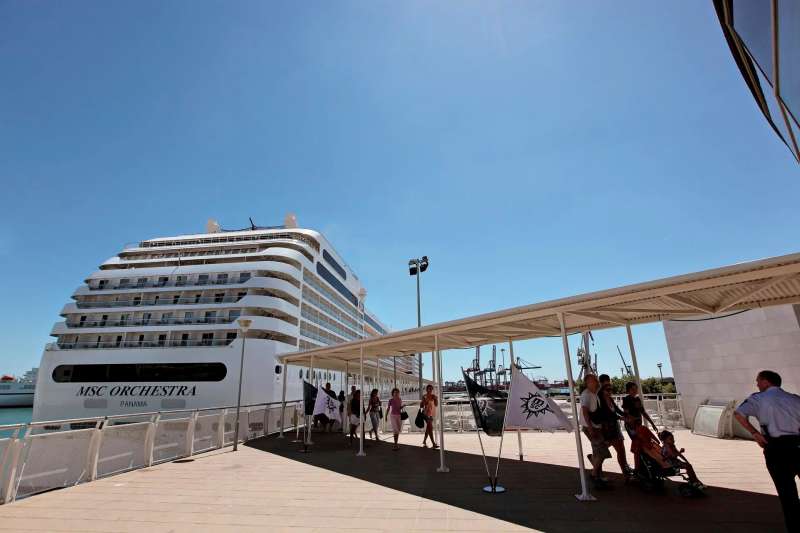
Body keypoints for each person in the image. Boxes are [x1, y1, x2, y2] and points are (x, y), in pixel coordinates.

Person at [734, 370, 800, 532]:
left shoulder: (758, 398)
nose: (757, 384)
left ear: (766, 382)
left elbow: (738, 414)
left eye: (758, 381)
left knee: (787, 493)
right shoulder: (795, 398)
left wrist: (755, 433)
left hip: (776, 449)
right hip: (798, 446)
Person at [595, 376, 632, 477]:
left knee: (620, 449)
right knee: (612, 450)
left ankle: (625, 469)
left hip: (614, 427)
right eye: (607, 388)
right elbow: (605, 414)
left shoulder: (610, 399)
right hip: (607, 428)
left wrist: (626, 415)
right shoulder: (599, 398)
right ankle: (597, 468)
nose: (610, 391)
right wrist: (621, 418)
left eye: (611, 389)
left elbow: (616, 410)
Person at [580, 374, 610, 487]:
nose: (597, 382)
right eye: (594, 380)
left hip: (596, 426)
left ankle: (597, 473)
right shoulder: (586, 394)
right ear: (587, 383)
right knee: (602, 452)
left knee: (599, 452)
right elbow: (585, 411)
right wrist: (590, 428)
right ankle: (594, 475)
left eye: (596, 380)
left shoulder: (594, 393)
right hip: (591, 427)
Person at [421, 384, 438, 449]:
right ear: (427, 389)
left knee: (428, 428)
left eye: (431, 389)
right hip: (425, 414)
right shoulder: (424, 396)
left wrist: (436, 399)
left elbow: (436, 405)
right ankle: (433, 443)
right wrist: (425, 401)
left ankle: (424, 441)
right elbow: (422, 406)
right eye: (429, 389)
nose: (430, 390)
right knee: (430, 428)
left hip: (431, 414)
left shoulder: (433, 396)